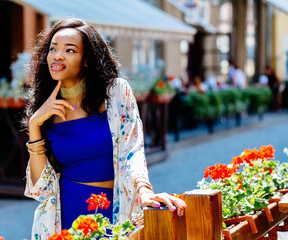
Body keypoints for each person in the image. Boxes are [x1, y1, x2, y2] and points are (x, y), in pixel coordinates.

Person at [22, 18, 186, 239]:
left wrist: (145, 191)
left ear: (86, 59)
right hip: (66, 215)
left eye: (69, 50)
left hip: (113, 209)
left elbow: (132, 150)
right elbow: (42, 188)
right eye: (53, 49)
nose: (58, 55)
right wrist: (34, 124)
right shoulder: (45, 108)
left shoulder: (116, 92)